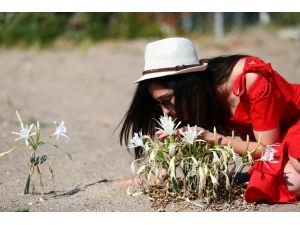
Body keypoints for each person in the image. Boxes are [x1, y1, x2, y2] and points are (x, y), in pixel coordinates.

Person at [119, 37, 300, 203]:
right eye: (160, 104)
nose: (165, 111)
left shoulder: (250, 78)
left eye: (167, 100)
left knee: (294, 166)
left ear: (187, 85)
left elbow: (269, 151)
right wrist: (160, 175)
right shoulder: (198, 95)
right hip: (274, 137)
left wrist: (212, 138)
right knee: (289, 180)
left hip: (294, 120)